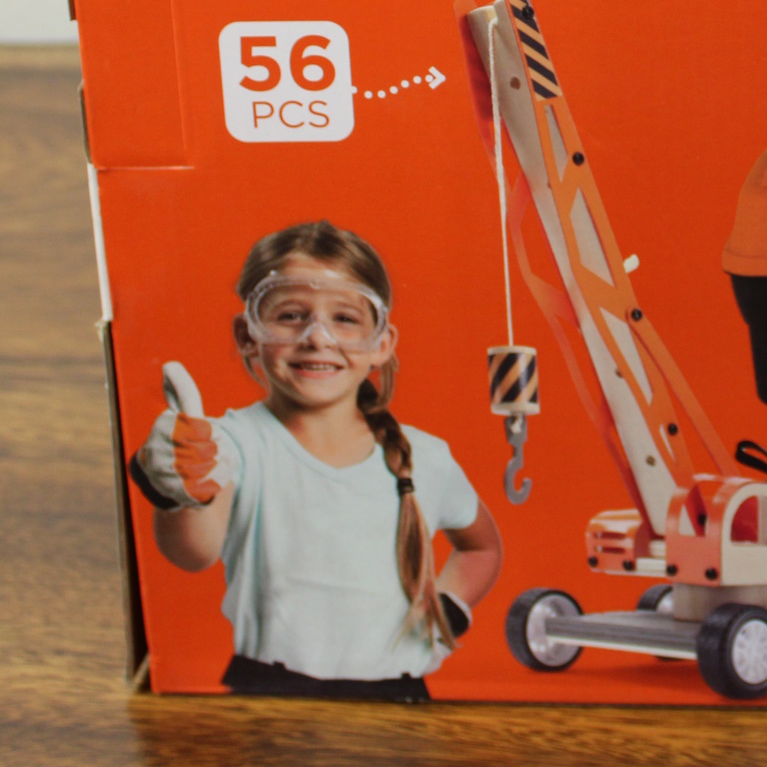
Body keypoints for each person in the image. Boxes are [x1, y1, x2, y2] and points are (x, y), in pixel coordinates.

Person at [131, 220, 504, 700]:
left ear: (381, 342)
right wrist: (178, 489)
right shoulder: (230, 443)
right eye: (290, 315)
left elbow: (481, 548)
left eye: (344, 318)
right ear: (248, 334)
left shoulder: (426, 457)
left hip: (398, 701)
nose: (318, 337)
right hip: (270, 696)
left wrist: (446, 610)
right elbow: (193, 552)